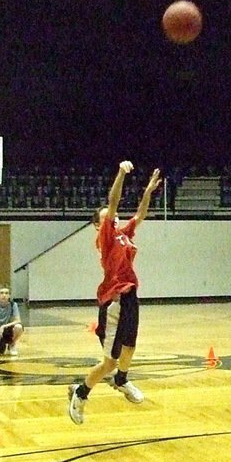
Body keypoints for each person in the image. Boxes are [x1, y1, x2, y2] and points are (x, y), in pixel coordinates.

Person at [67, 160, 162, 425]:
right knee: (109, 362)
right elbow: (113, 202)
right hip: (113, 300)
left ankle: (121, 380)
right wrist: (121, 173)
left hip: (130, 295)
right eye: (107, 218)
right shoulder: (105, 237)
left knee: (130, 347)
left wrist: (148, 192)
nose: (114, 217)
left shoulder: (123, 233)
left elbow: (140, 216)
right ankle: (81, 393)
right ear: (99, 225)